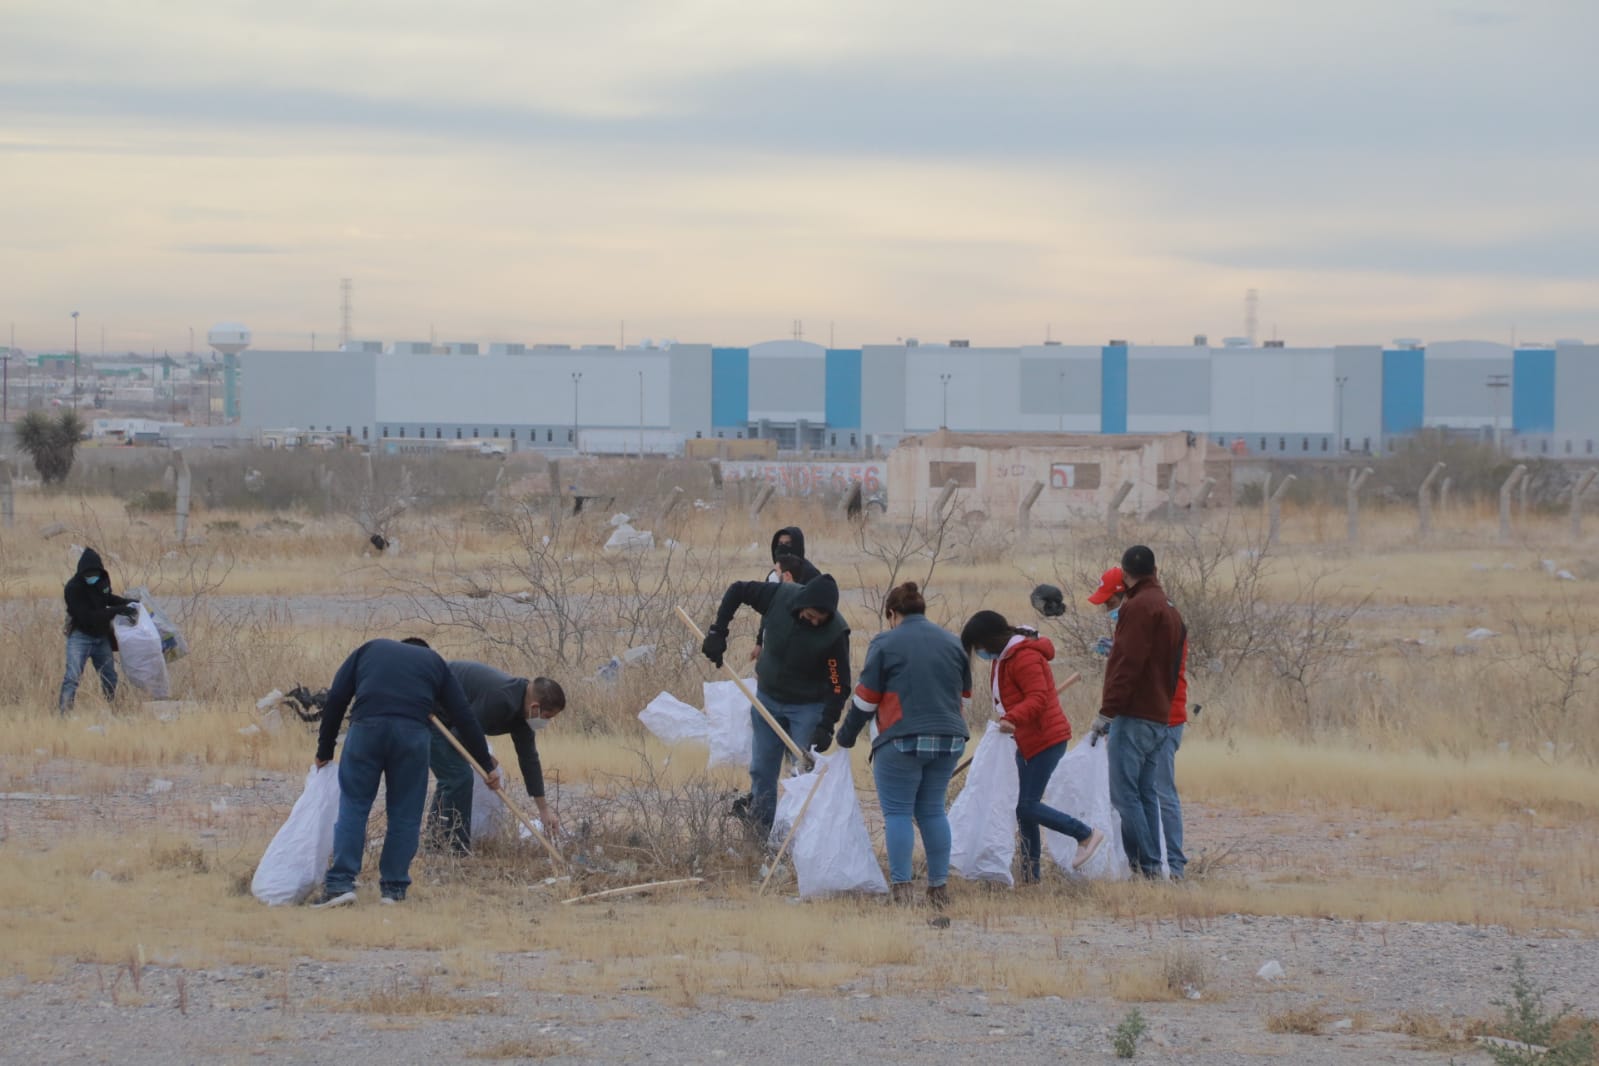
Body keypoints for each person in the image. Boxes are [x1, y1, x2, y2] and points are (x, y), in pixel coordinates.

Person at [312, 638, 500, 907]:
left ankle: (340, 884)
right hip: (412, 736)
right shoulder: (434, 662)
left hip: (367, 729)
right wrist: (486, 765)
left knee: (354, 805)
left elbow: (336, 699)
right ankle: (394, 889)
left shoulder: (369, 650)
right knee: (405, 813)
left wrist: (325, 750)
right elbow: (464, 715)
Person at [836, 582, 970, 908]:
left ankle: (902, 891)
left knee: (897, 812)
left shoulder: (885, 643)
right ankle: (938, 890)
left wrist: (846, 736)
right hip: (951, 737)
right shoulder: (953, 643)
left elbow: (866, 700)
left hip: (901, 738)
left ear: (892, 614)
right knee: (933, 810)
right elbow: (964, 697)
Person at [700, 571, 850, 839]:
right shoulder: (779, 596)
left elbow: (839, 685)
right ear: (802, 604)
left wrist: (826, 725)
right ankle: (760, 835)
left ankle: (799, 840)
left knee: (803, 776)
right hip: (768, 699)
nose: (814, 623)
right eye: (810, 616)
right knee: (761, 770)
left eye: (820, 620)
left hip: (807, 707)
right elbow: (737, 589)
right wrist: (718, 632)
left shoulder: (834, 633)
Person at [960, 610, 1104, 881]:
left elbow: (1037, 698)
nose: (980, 653)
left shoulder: (1024, 657)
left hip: (1045, 739)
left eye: (979, 647)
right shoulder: (1005, 657)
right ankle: (1030, 877)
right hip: (1026, 739)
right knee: (1024, 810)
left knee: (1026, 806)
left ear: (990, 640)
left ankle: (1085, 834)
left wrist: (1012, 717)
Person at [1087, 547, 1186, 880]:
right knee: (1145, 794)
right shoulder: (1169, 608)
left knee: (1124, 795)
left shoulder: (1138, 607)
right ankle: (1155, 866)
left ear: (1126, 575)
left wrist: (1107, 712)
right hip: (1160, 715)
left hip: (1134, 714)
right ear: (1154, 570)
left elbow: (1127, 664)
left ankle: (1147, 868)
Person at [428, 662, 567, 853]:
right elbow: (460, 734)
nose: (546, 722)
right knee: (458, 777)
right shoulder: (501, 700)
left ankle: (436, 841)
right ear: (535, 707)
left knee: (455, 777)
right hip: (432, 707)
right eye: (547, 716)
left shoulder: (523, 712)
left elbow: (529, 759)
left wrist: (543, 810)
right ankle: (453, 848)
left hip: (455, 721)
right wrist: (486, 763)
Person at [58, 547, 138, 713]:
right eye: (88, 574)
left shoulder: (102, 580)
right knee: (72, 677)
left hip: (101, 637)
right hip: (80, 636)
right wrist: (118, 610)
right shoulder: (73, 588)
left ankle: (114, 708)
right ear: (81, 573)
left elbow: (107, 598)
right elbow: (87, 616)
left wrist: (128, 603)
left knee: (110, 677)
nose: (91, 577)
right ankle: (64, 713)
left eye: (94, 573)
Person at [752, 526, 822, 661]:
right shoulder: (773, 576)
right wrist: (759, 642)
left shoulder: (812, 575)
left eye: (788, 544)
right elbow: (767, 611)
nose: (783, 548)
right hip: (774, 645)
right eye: (780, 544)